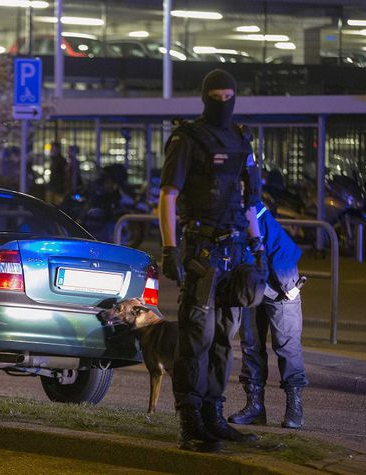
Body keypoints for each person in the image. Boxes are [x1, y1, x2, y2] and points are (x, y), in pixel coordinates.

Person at [158, 69, 265, 452]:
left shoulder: (241, 138)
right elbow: (168, 195)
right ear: (205, 98)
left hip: (236, 251)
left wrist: (258, 248)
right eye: (216, 98)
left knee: (224, 339)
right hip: (201, 249)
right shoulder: (187, 139)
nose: (223, 104)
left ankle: (214, 416)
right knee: (196, 339)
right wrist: (170, 249)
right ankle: (191, 422)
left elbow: (250, 201)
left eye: (228, 97)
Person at [229, 201, 308, 429]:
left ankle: (294, 407)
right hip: (251, 284)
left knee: (287, 344)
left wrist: (288, 289)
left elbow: (277, 250)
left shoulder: (252, 209)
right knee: (251, 344)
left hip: (279, 282)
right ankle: (255, 407)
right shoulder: (231, 208)